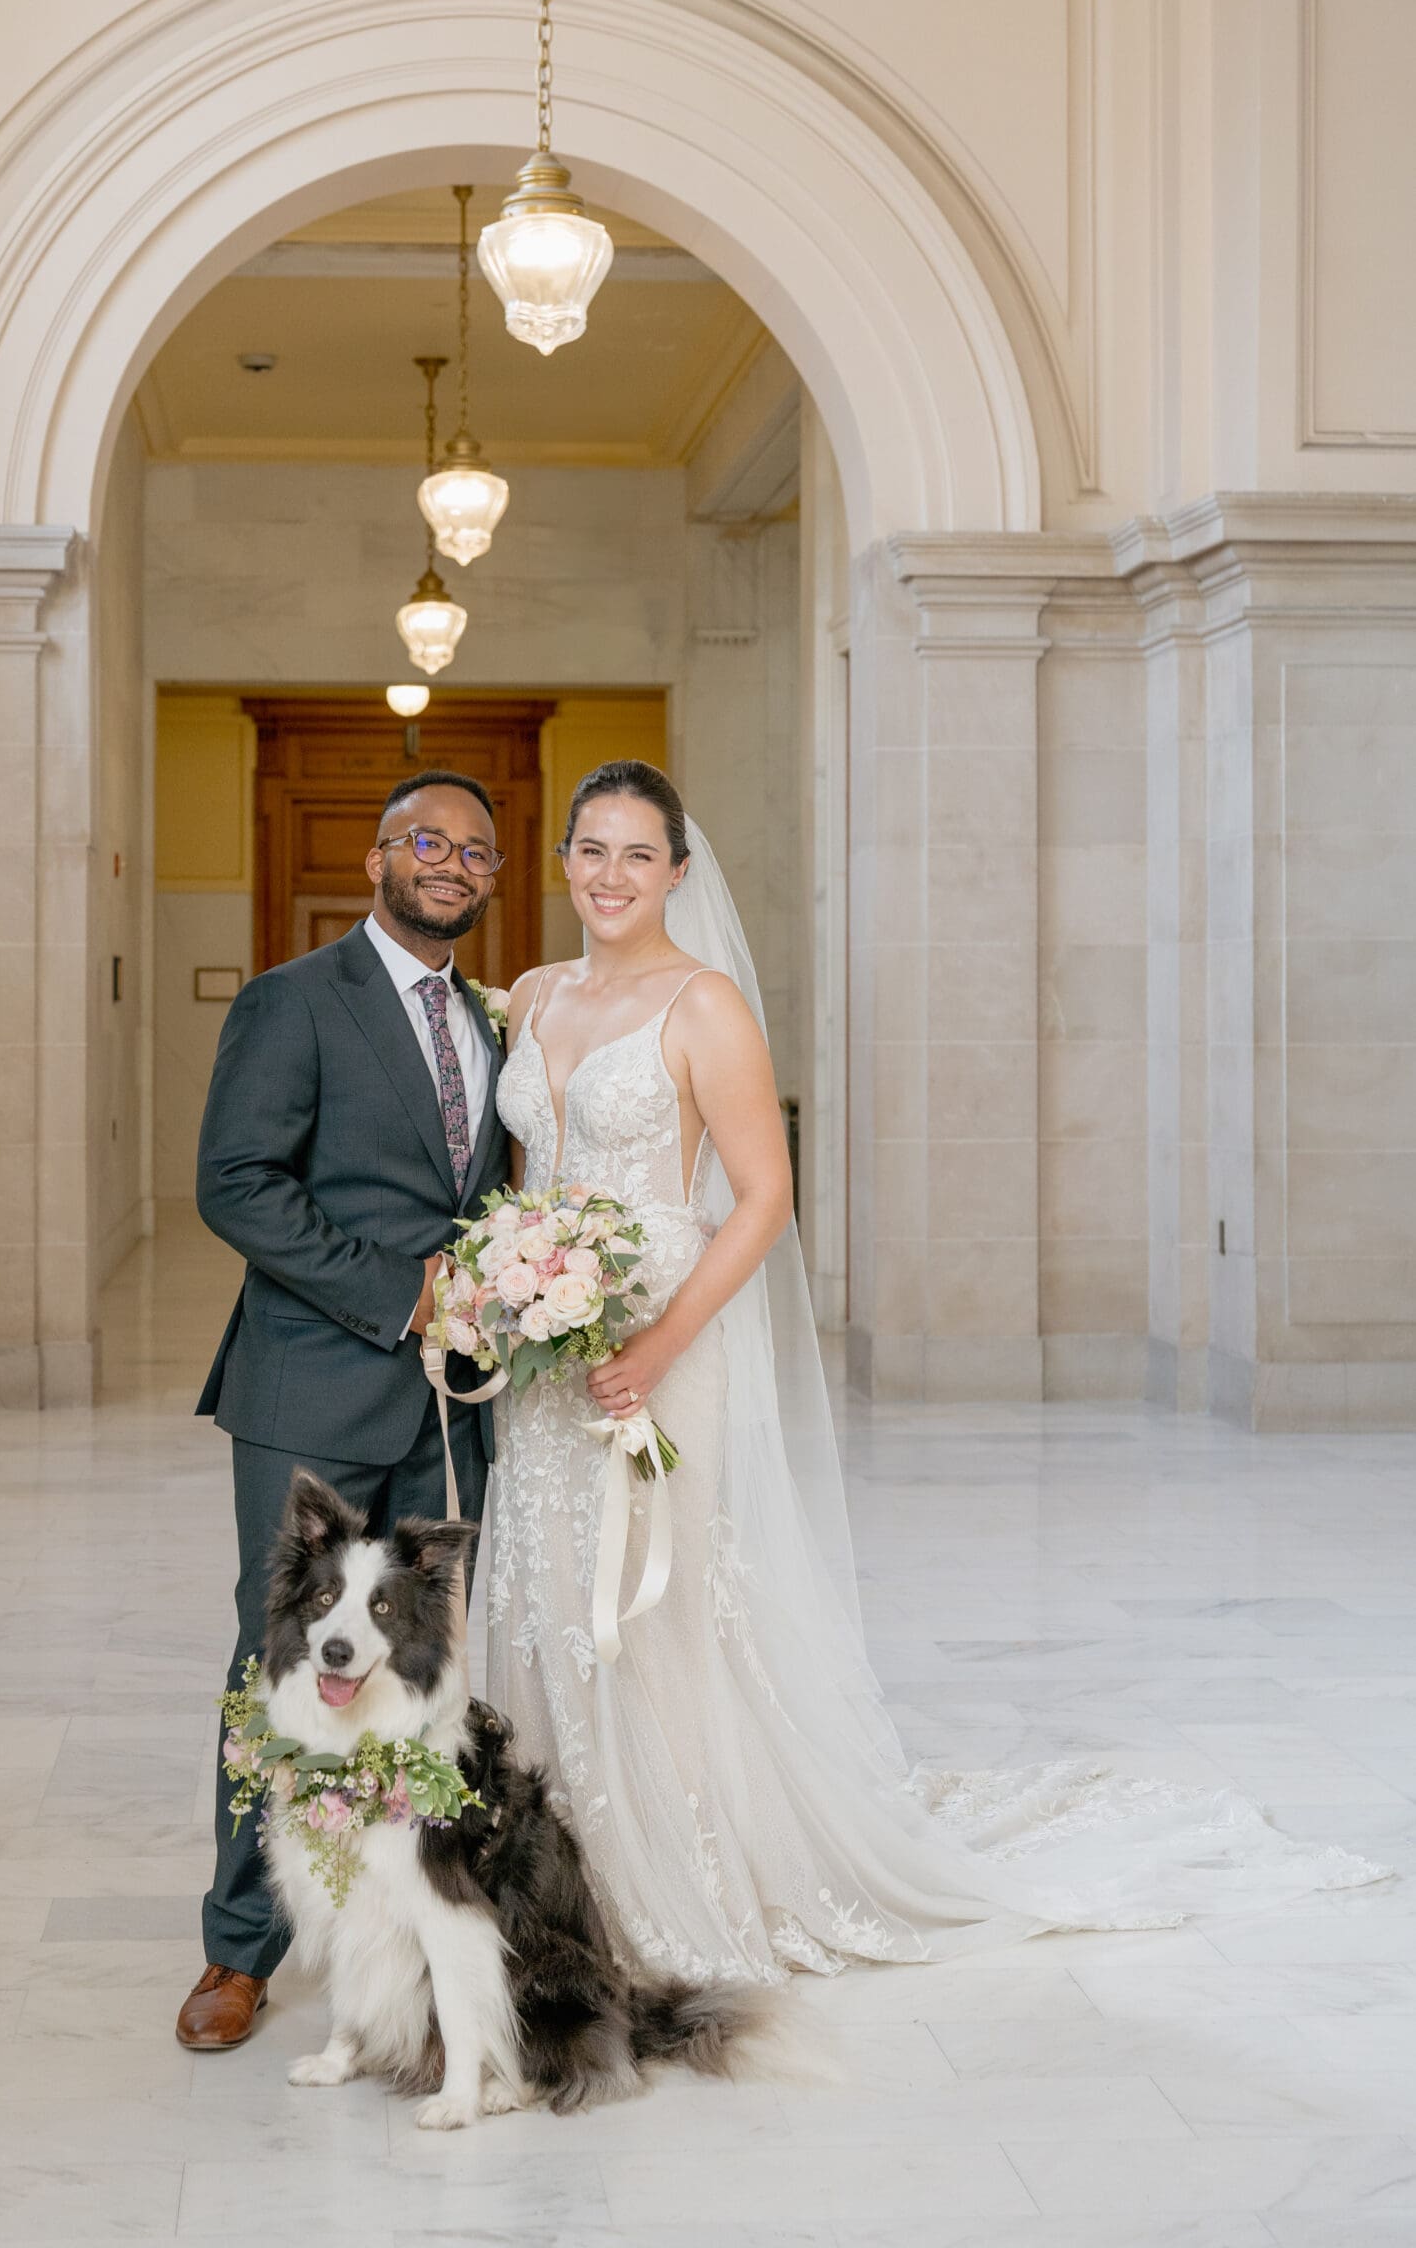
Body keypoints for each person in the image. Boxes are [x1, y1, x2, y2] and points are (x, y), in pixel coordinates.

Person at [488, 759, 1386, 1982]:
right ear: (563, 860)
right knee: (547, 1592)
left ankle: (678, 1875)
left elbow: (762, 1199)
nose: (611, 874)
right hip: (548, 1354)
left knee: (655, 1607)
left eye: (638, 853)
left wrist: (653, 1343)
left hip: (662, 1340)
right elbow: (527, 1180)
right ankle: (556, 1872)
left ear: (678, 872)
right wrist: (515, 1286)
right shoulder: (533, 996)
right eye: (591, 848)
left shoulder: (703, 1007)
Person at [177, 770, 509, 2049]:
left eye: (476, 850)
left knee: (417, 1664)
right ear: (378, 858)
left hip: (446, 1407)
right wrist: (402, 1295)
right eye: (428, 840)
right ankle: (238, 1949)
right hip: (311, 1388)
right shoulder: (293, 1000)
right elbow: (236, 1181)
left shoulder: (487, 1019)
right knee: (283, 1660)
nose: (452, 862)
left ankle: (397, 1925)